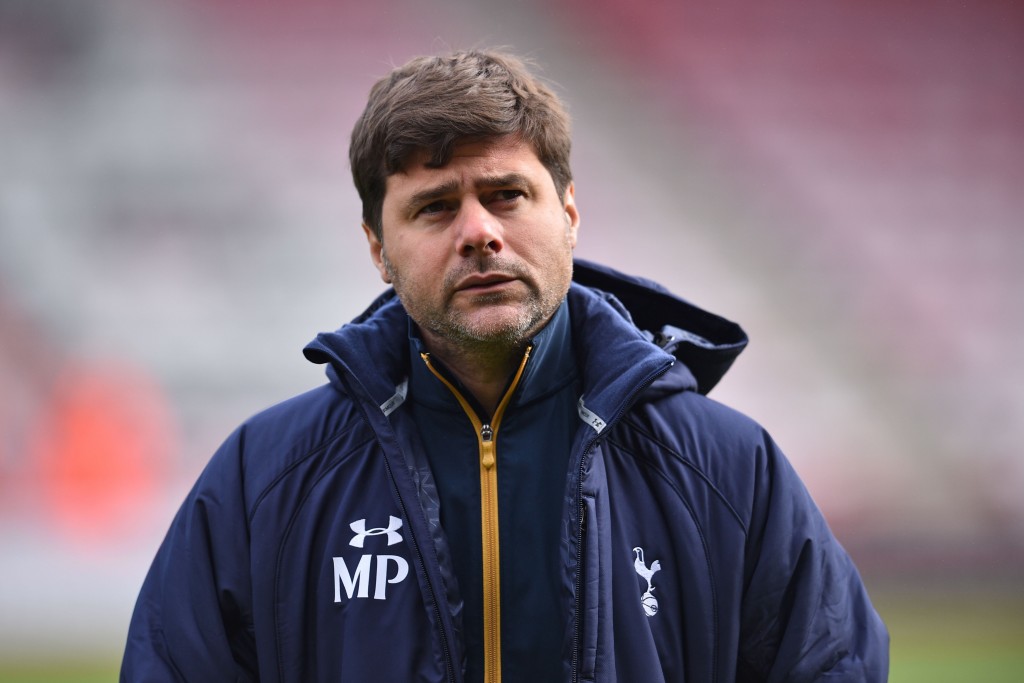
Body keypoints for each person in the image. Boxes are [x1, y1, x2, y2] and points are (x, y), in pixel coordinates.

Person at [121, 50, 889, 682]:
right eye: (434, 206)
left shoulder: (728, 469)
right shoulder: (265, 478)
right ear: (378, 248)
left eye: (507, 194)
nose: (479, 231)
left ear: (569, 214)